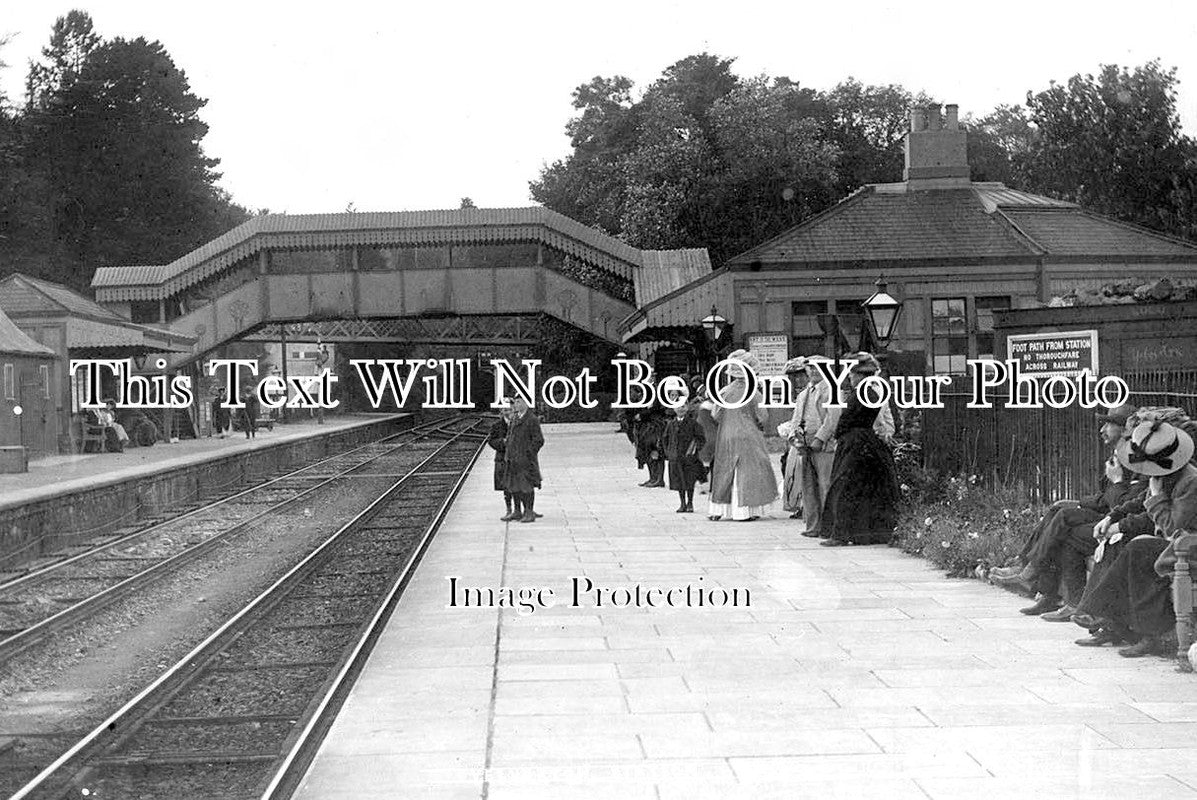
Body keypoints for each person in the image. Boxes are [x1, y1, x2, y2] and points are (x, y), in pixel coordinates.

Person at [991, 402, 1138, 615]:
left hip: (1116, 523)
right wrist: (1079, 502)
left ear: (1124, 429)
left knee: (1065, 524)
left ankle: (1033, 574)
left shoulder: (1135, 460)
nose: (1102, 430)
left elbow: (1121, 505)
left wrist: (1116, 482)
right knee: (1058, 509)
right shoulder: (1118, 453)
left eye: (1108, 425)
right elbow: (1103, 499)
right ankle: (1032, 574)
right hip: (1105, 516)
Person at [1073, 420, 1196, 657]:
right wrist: (1111, 517)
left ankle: (1146, 634)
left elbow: (1172, 527)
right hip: (1175, 545)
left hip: (1188, 548)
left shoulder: (1190, 481)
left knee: (1139, 548)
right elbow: (1140, 500)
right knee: (1122, 542)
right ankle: (1111, 624)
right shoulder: (1166, 473)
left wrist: (1157, 497)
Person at [814, 353, 901, 546]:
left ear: (861, 375)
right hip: (864, 441)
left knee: (845, 487)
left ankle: (841, 534)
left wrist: (839, 436)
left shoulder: (862, 394)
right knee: (864, 488)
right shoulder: (871, 392)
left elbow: (847, 420)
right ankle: (864, 533)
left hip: (855, 443)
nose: (850, 378)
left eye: (852, 374)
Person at [706, 350, 778, 521]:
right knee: (749, 472)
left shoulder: (724, 392)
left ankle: (719, 509)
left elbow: (716, 414)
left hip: (727, 435)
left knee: (725, 471)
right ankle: (746, 511)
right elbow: (763, 417)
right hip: (749, 435)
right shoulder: (754, 392)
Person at [779, 357, 810, 518]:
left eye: (800, 375)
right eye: (794, 377)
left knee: (802, 471)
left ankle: (806, 505)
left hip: (807, 437)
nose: (797, 380)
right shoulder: (798, 393)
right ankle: (799, 504)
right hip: (796, 438)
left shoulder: (810, 392)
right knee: (790, 468)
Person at [505, 396, 545, 523]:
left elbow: (539, 440)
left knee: (526, 486)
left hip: (525, 460)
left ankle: (529, 512)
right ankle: (518, 511)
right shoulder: (515, 418)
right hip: (512, 459)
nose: (515, 405)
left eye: (518, 402)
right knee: (514, 486)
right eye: (515, 402)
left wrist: (528, 453)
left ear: (526, 403)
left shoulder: (531, 419)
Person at [663, 398, 705, 513]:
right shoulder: (671, 424)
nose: (680, 409)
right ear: (674, 408)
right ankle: (682, 503)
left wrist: (695, 450)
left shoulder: (693, 423)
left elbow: (700, 438)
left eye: (683, 406)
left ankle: (690, 502)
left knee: (689, 481)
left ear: (687, 407)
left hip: (689, 458)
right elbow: (665, 439)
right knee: (679, 482)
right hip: (676, 458)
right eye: (678, 406)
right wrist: (669, 453)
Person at [489, 400, 514, 520]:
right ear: (501, 411)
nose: (507, 412)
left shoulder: (519, 423)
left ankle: (520, 509)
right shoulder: (496, 426)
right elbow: (491, 441)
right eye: (505, 409)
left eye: (509, 409)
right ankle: (509, 509)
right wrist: (502, 442)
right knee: (506, 487)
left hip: (517, 458)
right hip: (502, 458)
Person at [635, 401, 668, 488]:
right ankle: (653, 478)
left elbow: (657, 409)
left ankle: (659, 479)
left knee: (657, 451)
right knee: (648, 451)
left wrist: (642, 415)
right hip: (647, 425)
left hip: (656, 425)